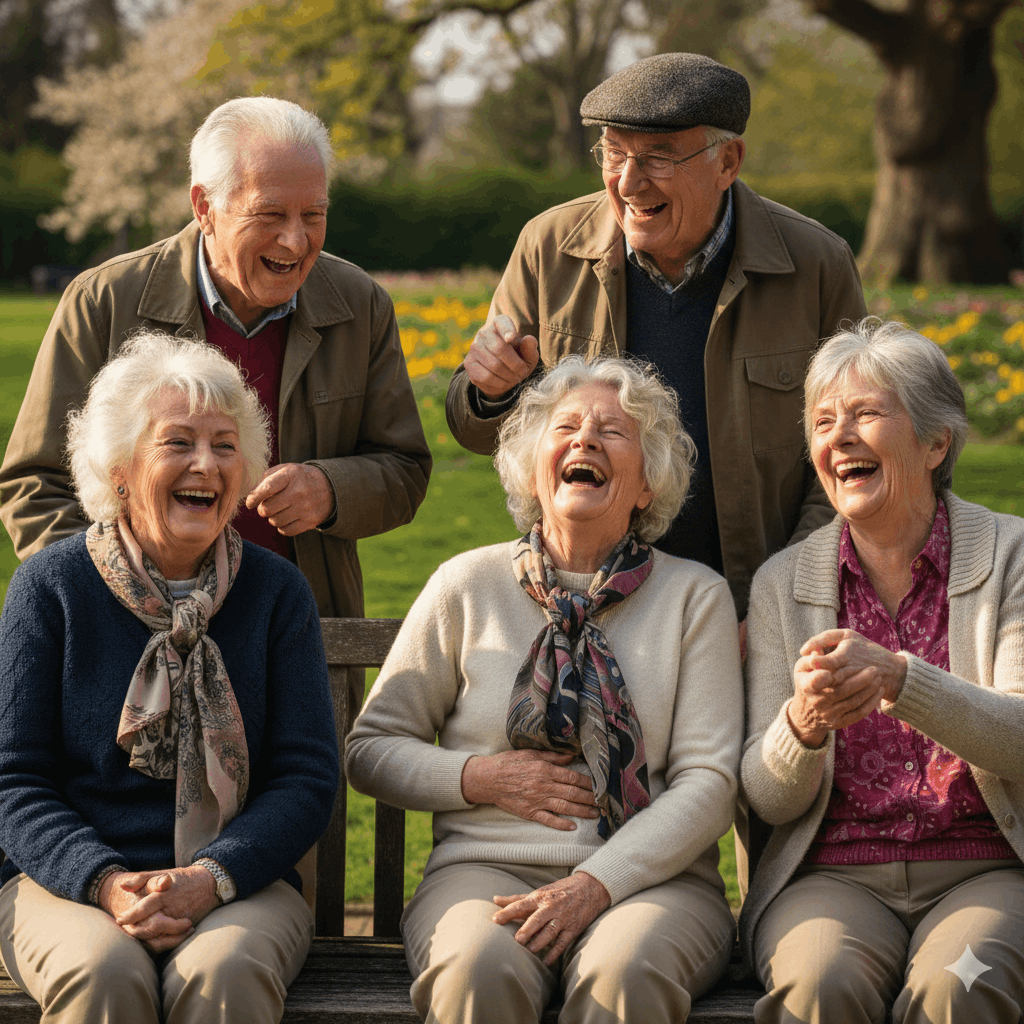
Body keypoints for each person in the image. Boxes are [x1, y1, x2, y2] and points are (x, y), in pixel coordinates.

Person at [0, 95, 431, 719]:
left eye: (315, 214)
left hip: (288, 639)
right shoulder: (105, 301)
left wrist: (331, 489)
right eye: (271, 214)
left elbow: (406, 469)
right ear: (205, 205)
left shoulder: (360, 305)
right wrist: (110, 605)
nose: (296, 239)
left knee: (292, 806)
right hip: (133, 653)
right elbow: (33, 482)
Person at [347, 355, 743, 1024]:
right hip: (484, 874)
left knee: (625, 974)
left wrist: (596, 883)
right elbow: (372, 748)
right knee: (478, 971)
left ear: (647, 484)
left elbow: (711, 780)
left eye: (613, 432)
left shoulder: (693, 598)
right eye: (566, 427)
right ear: (533, 468)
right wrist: (480, 777)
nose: (585, 440)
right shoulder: (465, 585)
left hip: (654, 881)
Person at [445, 52, 866, 620]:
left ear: (728, 161)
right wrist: (489, 390)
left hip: (757, 606)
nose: (627, 181)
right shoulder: (549, 246)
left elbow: (850, 455)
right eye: (614, 153)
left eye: (658, 157)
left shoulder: (815, 264)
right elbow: (477, 430)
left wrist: (780, 599)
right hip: (586, 607)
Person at [0, 332, 340, 1024]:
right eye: (177, 442)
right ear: (119, 466)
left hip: (239, 884)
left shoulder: (276, 591)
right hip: (68, 883)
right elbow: (13, 778)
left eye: (223, 445)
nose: (205, 465)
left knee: (225, 973)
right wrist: (105, 882)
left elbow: (304, 777)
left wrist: (211, 878)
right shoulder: (51, 586)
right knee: (102, 973)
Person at [740, 319, 1024, 1024]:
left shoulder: (1011, 556)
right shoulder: (784, 583)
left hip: (986, 868)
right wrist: (800, 727)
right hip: (832, 876)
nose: (839, 437)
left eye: (867, 414)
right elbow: (765, 799)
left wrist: (902, 679)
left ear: (935, 443)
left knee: (959, 988)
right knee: (817, 988)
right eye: (824, 421)